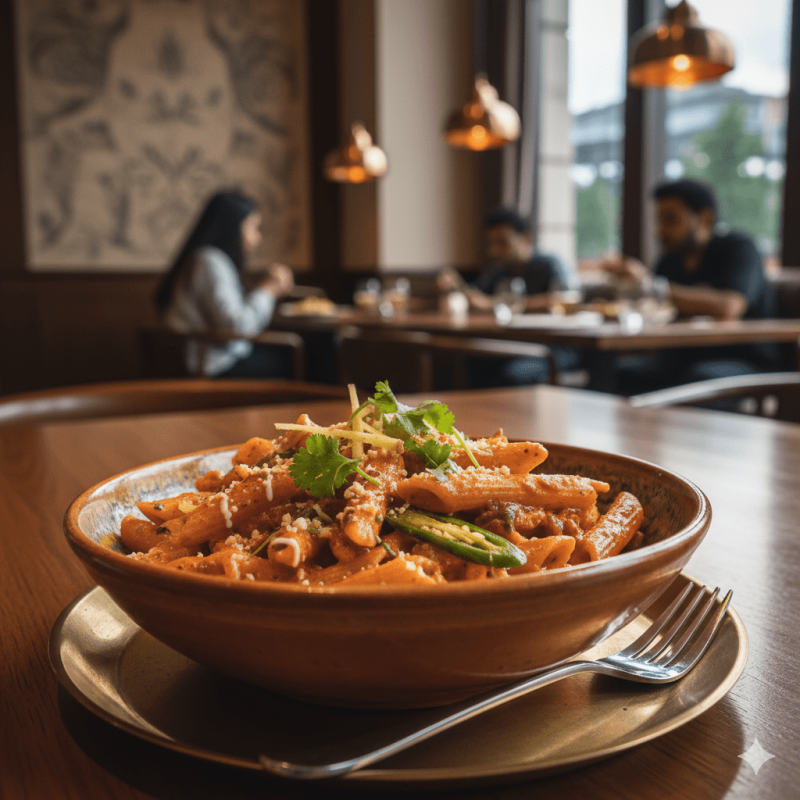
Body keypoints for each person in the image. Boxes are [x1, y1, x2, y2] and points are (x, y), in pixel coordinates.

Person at [600, 178, 779, 394]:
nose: (661, 230)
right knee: (621, 372)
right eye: (659, 220)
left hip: (744, 358)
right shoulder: (669, 260)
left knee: (700, 378)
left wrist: (650, 285)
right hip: (685, 357)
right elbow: (653, 308)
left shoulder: (738, 248)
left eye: (671, 220)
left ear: (704, 219)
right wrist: (628, 287)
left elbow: (730, 307)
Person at [154, 190, 295, 378]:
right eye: (252, 227)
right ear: (233, 228)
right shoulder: (209, 262)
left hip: (207, 357)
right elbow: (238, 328)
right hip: (213, 365)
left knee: (289, 354)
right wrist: (268, 289)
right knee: (297, 355)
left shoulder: (207, 259)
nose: (257, 237)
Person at [439, 207, 580, 386]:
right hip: (517, 344)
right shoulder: (499, 270)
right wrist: (455, 286)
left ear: (525, 240)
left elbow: (562, 299)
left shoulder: (550, 265)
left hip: (555, 348)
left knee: (515, 374)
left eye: (502, 242)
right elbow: (477, 296)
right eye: (491, 243)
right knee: (468, 362)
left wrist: (495, 304)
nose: (494, 251)